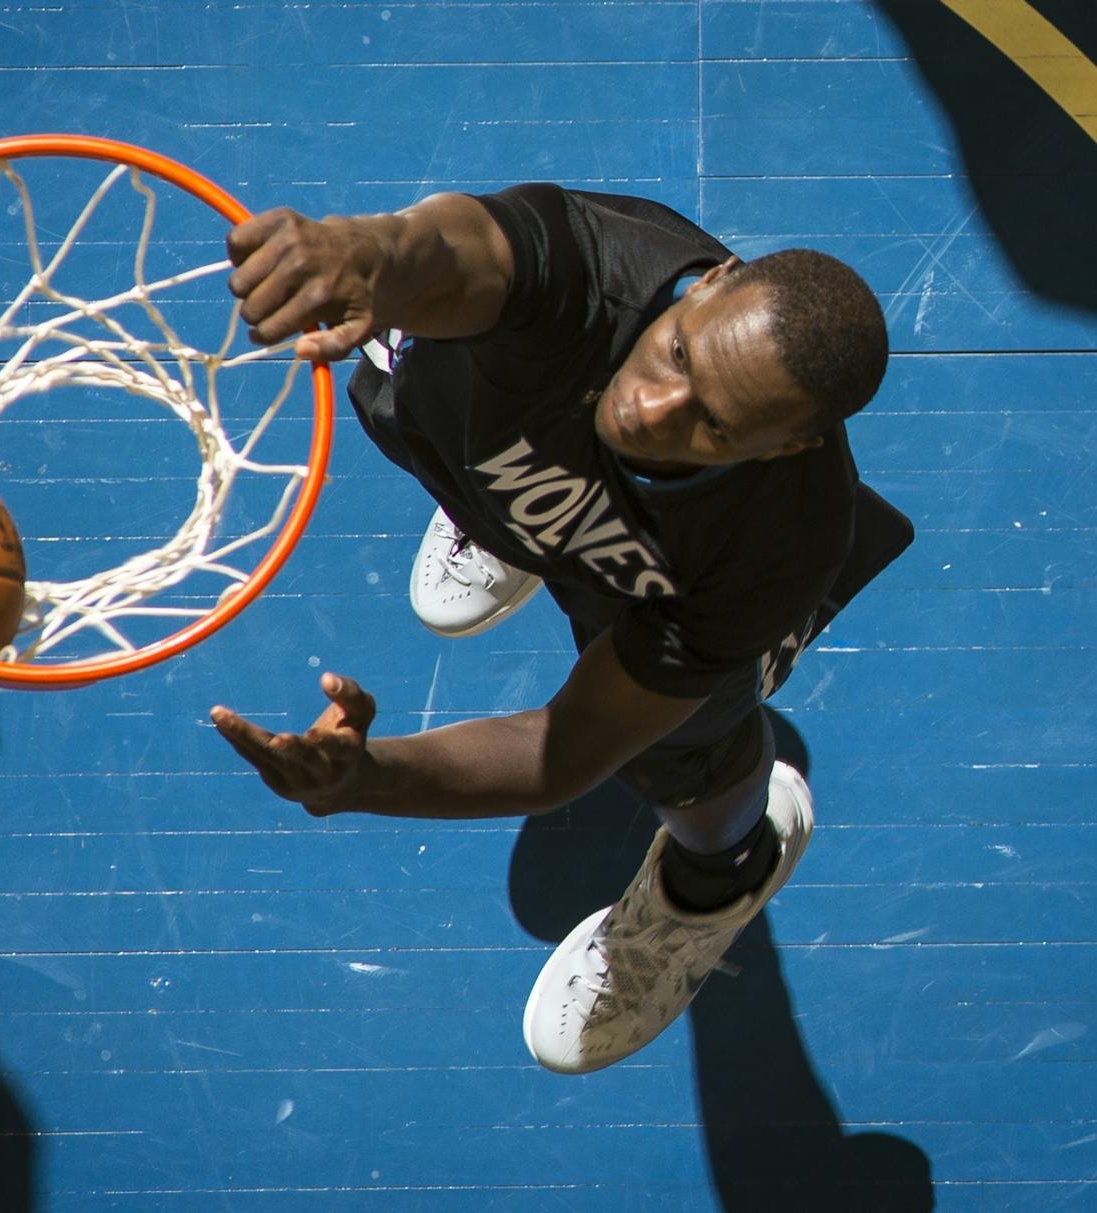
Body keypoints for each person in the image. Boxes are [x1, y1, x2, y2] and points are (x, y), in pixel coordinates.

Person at [209, 184, 906, 1075]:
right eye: (678, 354)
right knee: (414, 403)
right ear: (709, 283)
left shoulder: (776, 546)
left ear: (779, 448)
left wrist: (368, 778)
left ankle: (729, 868)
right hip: (492, 429)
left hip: (660, 589)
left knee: (683, 750)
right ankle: (529, 513)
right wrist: (364, 252)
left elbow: (563, 750)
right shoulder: (587, 270)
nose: (653, 408)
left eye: (713, 423)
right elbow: (453, 247)